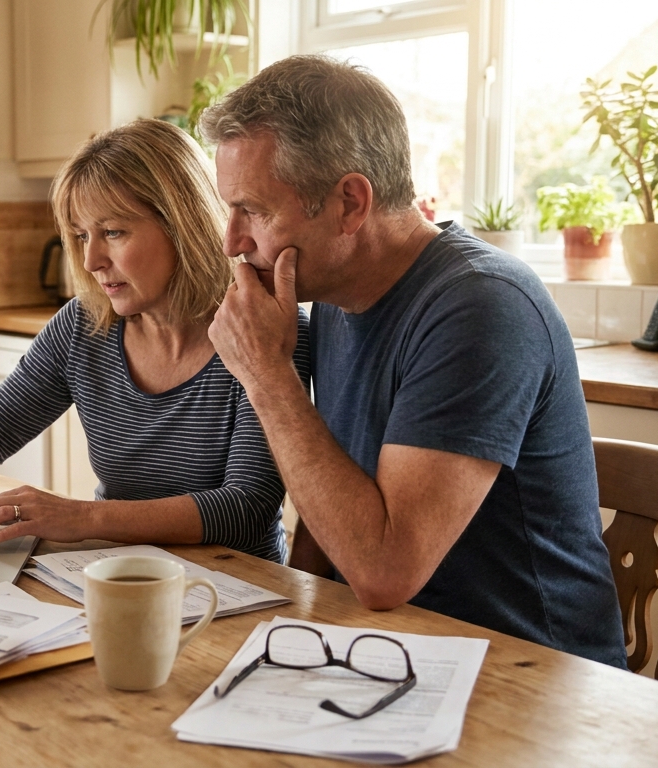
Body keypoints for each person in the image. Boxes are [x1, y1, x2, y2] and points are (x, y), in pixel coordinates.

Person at [199, 55, 628, 667]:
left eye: (256, 211)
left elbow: (382, 571)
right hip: (394, 648)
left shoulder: (481, 306)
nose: (233, 242)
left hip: (530, 677)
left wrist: (269, 376)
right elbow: (333, 502)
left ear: (350, 202)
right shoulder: (335, 298)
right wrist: (288, 628)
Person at [0, 119, 309, 563]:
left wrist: (83, 517)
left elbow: (245, 508)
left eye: (112, 232)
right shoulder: (83, 329)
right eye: (81, 235)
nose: (91, 261)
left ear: (183, 224)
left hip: (240, 589)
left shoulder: (263, 329)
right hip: (121, 577)